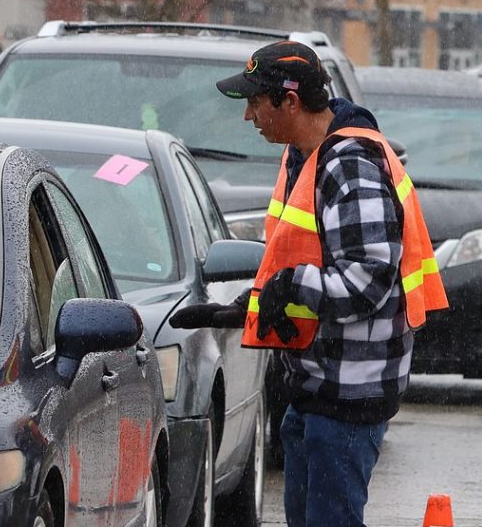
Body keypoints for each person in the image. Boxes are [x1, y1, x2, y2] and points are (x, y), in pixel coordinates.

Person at [170, 41, 448, 526]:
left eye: (256, 103)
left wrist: (291, 287)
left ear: (290, 102)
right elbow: (306, 260)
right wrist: (251, 307)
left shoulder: (349, 165)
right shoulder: (306, 155)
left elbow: (368, 280)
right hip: (320, 386)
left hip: (347, 395)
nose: (249, 116)